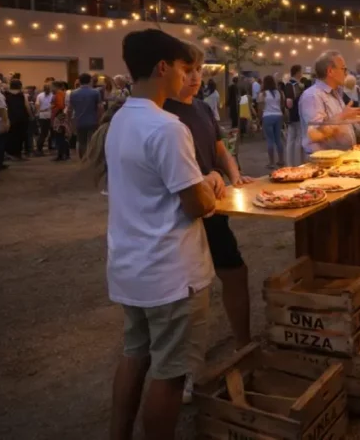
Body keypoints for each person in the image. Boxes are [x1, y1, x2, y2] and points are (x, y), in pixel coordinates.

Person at [106, 29, 221, 440]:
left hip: (131, 264)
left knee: (135, 354)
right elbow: (196, 204)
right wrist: (210, 185)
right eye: (182, 68)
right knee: (171, 374)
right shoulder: (167, 127)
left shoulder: (121, 119)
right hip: (171, 271)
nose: (187, 76)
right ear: (162, 68)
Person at [162, 43, 257, 403]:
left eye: (199, 71)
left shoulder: (202, 108)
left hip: (213, 208)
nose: (194, 77)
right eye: (187, 71)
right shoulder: (164, 113)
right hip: (185, 212)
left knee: (234, 271)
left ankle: (244, 344)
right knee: (190, 292)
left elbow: (219, 147)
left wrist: (234, 174)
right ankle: (186, 372)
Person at [300, 52, 360, 155]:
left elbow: (338, 121)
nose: (346, 73)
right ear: (330, 71)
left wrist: (359, 115)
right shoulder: (312, 96)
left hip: (341, 156)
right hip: (323, 160)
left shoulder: (335, 92)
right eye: (343, 69)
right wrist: (343, 115)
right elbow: (315, 134)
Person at [69, 73, 103, 159]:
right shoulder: (95, 92)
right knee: (93, 141)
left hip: (79, 121)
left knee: (81, 142)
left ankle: (83, 160)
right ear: (90, 80)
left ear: (79, 81)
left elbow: (70, 109)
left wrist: (70, 122)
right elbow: (100, 108)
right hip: (93, 120)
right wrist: (100, 119)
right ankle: (92, 159)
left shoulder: (73, 93)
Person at [282, 65, 306, 165]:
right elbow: (290, 102)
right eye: (301, 72)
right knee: (298, 139)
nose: (302, 74)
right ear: (297, 73)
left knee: (290, 139)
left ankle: (290, 162)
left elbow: (288, 103)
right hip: (297, 114)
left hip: (291, 115)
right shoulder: (295, 85)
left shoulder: (288, 84)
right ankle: (298, 162)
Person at [260, 75, 285, 167]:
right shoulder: (279, 92)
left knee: (270, 139)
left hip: (267, 116)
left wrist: (259, 118)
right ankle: (281, 160)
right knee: (278, 139)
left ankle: (271, 162)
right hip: (278, 115)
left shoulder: (263, 94)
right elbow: (282, 104)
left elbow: (260, 107)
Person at [4, 79, 32, 160]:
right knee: (21, 137)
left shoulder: (6, 95)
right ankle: (18, 154)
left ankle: (10, 153)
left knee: (11, 136)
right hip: (22, 118)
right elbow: (27, 106)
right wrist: (31, 115)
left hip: (11, 117)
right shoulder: (22, 95)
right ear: (20, 86)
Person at [51, 81, 71, 161]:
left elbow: (61, 106)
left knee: (59, 136)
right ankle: (64, 154)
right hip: (61, 116)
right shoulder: (62, 93)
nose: (51, 88)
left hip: (59, 117)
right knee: (61, 136)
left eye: (52, 87)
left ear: (56, 87)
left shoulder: (59, 94)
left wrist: (54, 112)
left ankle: (62, 154)